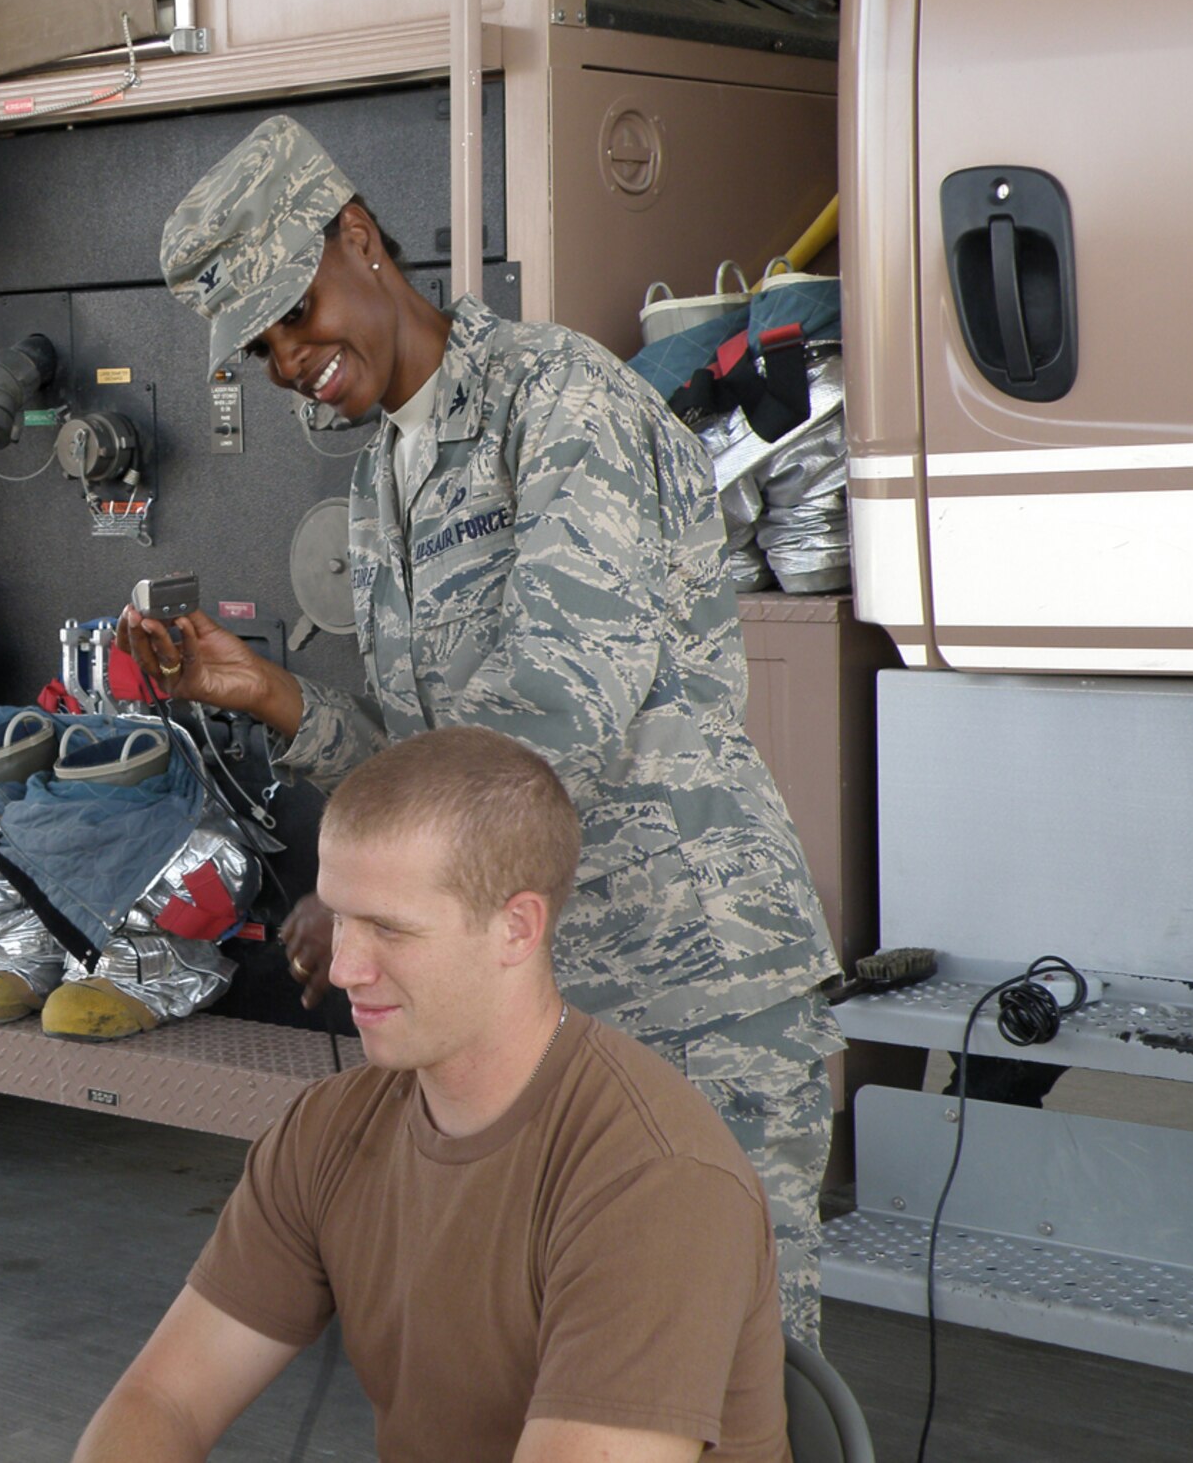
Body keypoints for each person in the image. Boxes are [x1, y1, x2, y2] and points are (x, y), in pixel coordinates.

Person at [127, 114, 843, 1346]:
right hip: (524, 994)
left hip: (684, 981)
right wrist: (272, 700)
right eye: (263, 347)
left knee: (720, 1359)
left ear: (356, 235)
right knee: (553, 1353)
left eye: (295, 312)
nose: (293, 358)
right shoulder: (382, 481)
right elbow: (433, 759)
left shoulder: (555, 404)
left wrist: (368, 900)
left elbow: (555, 722)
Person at [72, 727, 790, 1463]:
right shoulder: (329, 1130)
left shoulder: (653, 1181)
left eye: (390, 929)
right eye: (340, 917)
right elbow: (163, 1401)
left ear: (517, 927)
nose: (344, 967)